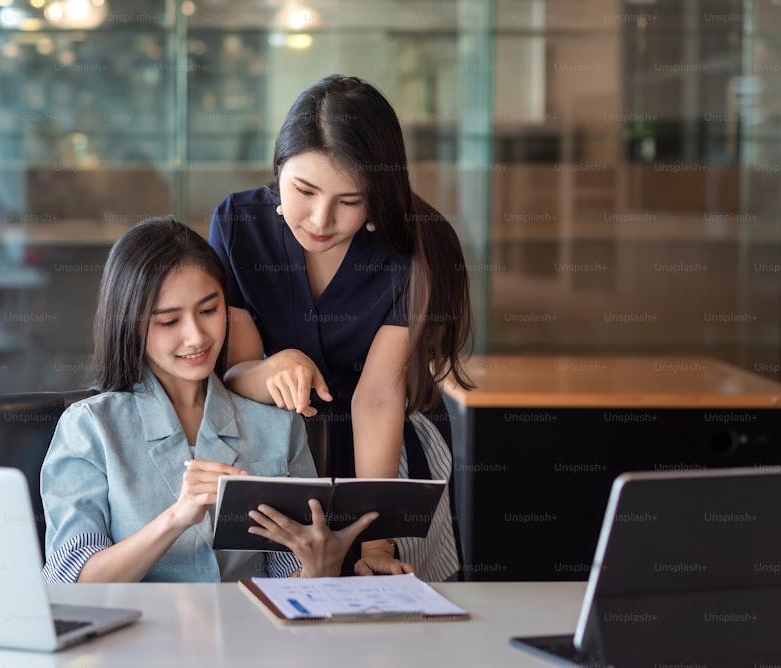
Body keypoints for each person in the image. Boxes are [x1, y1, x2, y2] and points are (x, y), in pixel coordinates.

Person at [209, 75, 474, 581]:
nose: (319, 219)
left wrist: (377, 544)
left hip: (387, 450)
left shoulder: (416, 245)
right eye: (303, 190)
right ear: (278, 167)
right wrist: (271, 368)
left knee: (395, 618)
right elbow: (235, 374)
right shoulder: (239, 224)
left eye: (350, 201)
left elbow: (377, 397)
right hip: (278, 445)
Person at [40, 217, 376, 583]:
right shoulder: (91, 427)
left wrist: (319, 567)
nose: (196, 337)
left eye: (209, 311)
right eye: (169, 322)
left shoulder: (278, 425)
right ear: (129, 324)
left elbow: (287, 579)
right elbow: (69, 581)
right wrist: (178, 517)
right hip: (139, 635)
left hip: (247, 635)